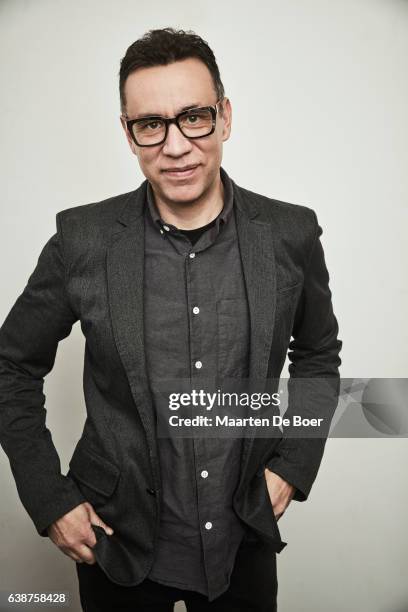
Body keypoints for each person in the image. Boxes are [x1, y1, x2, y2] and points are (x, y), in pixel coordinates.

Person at [0, 27, 342, 611]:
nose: (176, 145)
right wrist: (48, 497)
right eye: (151, 124)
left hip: (244, 539)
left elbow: (317, 358)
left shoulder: (290, 234)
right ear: (129, 134)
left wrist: (292, 464)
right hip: (117, 543)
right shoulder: (81, 241)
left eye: (195, 117)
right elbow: (10, 368)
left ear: (225, 117)